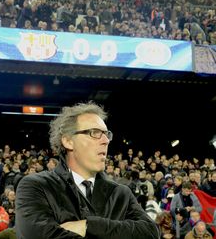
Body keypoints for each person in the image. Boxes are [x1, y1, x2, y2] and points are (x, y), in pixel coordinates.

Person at [15, 102, 160, 238]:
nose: (105, 140)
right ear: (68, 141)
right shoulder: (36, 186)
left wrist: (88, 225)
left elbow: (151, 232)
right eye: (94, 132)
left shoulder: (121, 193)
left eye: (106, 134)